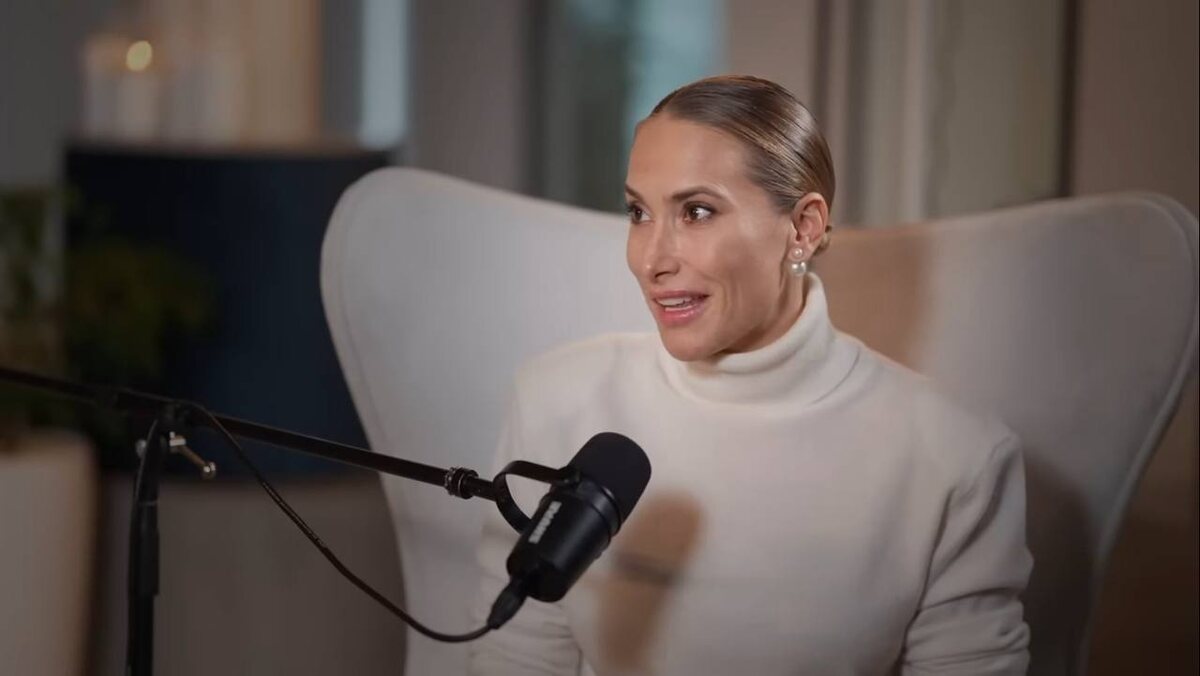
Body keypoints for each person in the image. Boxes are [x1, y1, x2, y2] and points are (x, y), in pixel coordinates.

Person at [469, 75, 1032, 675]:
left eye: (697, 212)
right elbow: (515, 658)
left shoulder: (956, 457)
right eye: (638, 212)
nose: (651, 259)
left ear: (803, 228)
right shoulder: (557, 399)